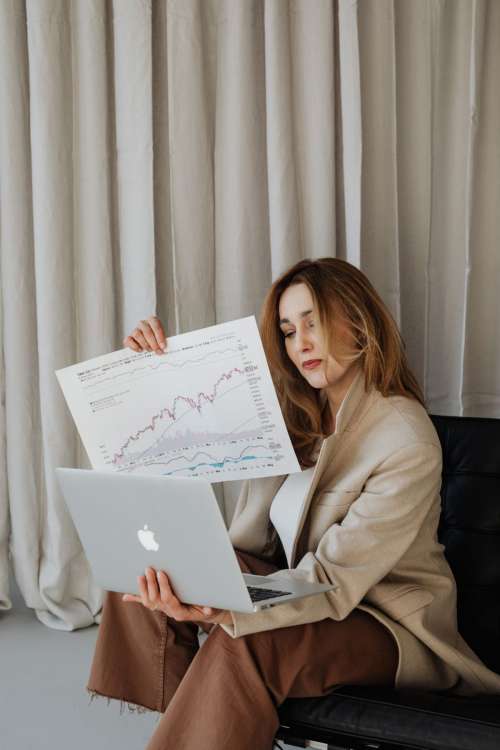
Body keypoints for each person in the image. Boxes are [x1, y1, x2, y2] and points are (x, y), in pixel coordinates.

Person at [86, 257, 500, 750]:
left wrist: (227, 612)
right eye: (287, 330)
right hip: (298, 588)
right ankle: (196, 732)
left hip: (381, 621)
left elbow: (332, 581)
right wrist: (146, 372)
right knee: (151, 563)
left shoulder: (404, 437)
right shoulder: (288, 414)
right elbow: (173, 438)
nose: (299, 342)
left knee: (252, 636)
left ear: (359, 323)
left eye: (313, 323)